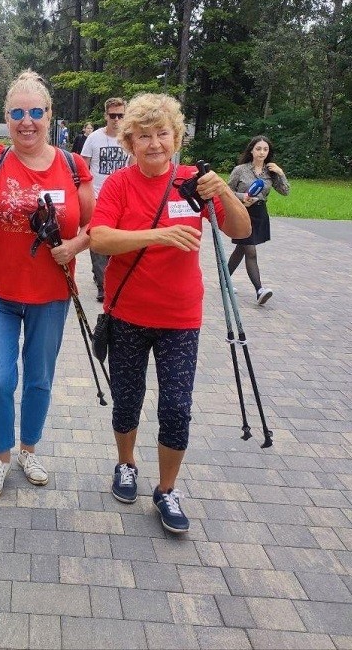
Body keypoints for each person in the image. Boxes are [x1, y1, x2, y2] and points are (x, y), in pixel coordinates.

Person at [88, 93, 250, 534]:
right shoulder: (120, 185)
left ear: (176, 137)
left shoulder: (194, 182)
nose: (154, 143)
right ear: (130, 143)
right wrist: (158, 236)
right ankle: (126, 464)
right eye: (143, 136)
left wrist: (224, 195)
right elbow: (100, 238)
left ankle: (166, 489)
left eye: (162, 133)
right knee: (128, 397)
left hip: (181, 317)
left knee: (177, 407)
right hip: (127, 313)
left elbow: (241, 230)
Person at [0, 46, 95, 502]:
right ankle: (1, 456)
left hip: (51, 292)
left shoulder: (73, 165)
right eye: (16, 113)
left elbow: (94, 224)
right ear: (7, 118)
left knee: (39, 378)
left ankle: (29, 448)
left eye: (35, 112)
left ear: (49, 115)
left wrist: (76, 245)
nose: (26, 121)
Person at [226, 135, 290, 305]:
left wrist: (281, 173)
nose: (262, 152)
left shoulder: (271, 172)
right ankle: (259, 290)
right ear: (252, 150)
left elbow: (285, 192)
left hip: (260, 213)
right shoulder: (240, 170)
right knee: (250, 250)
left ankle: (224, 280)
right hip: (242, 212)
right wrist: (243, 197)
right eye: (258, 149)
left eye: (265, 149)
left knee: (242, 249)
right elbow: (226, 191)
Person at [81, 98, 130, 302]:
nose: (116, 119)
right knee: (98, 239)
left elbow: (134, 167)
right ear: (105, 116)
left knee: (118, 240)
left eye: (120, 115)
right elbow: (84, 167)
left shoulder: (129, 138)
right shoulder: (94, 138)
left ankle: (112, 277)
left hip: (121, 196)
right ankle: (103, 285)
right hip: (97, 195)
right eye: (112, 115)